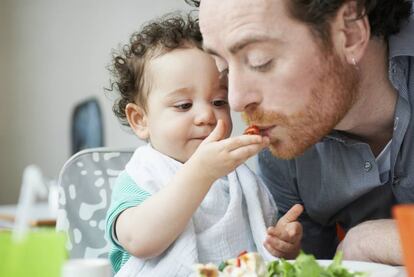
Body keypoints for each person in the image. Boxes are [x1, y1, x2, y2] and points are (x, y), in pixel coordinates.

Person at [192, 0, 414, 265]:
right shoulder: (284, 145)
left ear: (350, 32)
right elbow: (314, 265)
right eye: (225, 71)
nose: (236, 100)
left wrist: (365, 241)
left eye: (259, 61)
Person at [104, 13, 303, 276]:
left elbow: (262, 248)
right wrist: (200, 172)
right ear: (140, 120)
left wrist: (283, 246)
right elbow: (139, 241)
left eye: (219, 102)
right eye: (184, 105)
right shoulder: (142, 175)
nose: (207, 116)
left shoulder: (240, 177)